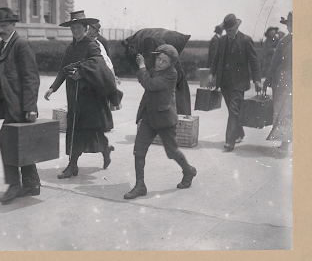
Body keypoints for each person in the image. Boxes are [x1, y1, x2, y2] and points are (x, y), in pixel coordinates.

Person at [0, 7, 41, 205]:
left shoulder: (21, 45)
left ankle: (15, 185)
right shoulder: (1, 48)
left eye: (4, 25)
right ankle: (31, 184)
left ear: (13, 25)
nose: (0, 29)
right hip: (10, 106)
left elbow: (31, 78)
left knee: (6, 140)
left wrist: (31, 107)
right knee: (22, 142)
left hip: (21, 106)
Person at [44, 11, 118, 179]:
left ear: (86, 28)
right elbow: (63, 69)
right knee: (77, 128)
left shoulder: (92, 45)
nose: (75, 30)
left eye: (78, 27)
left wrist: (82, 73)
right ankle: (81, 161)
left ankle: (74, 164)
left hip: (89, 96)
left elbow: (99, 65)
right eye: (73, 28)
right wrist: (53, 87)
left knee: (87, 129)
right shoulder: (70, 48)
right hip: (73, 94)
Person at [124, 44, 197, 199]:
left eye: (164, 61)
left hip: (165, 119)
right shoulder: (154, 69)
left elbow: (149, 84)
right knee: (139, 149)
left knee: (172, 152)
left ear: (171, 64)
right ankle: (140, 186)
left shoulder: (171, 74)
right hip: (149, 117)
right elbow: (142, 74)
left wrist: (142, 66)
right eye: (158, 58)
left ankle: (188, 171)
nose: (159, 63)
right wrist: (136, 57)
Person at [208, 14, 262, 152]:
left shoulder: (245, 40)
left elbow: (254, 61)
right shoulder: (222, 41)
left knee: (233, 110)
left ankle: (229, 142)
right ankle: (239, 132)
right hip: (224, 82)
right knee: (233, 110)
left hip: (239, 82)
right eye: (227, 31)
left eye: (231, 31)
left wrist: (257, 80)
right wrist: (211, 73)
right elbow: (216, 59)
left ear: (237, 28)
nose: (229, 33)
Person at [263, 12, 293, 152]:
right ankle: (286, 142)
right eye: (289, 23)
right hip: (285, 80)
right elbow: (274, 63)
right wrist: (267, 80)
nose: (291, 25)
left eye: (294, 23)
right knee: (284, 111)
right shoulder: (283, 42)